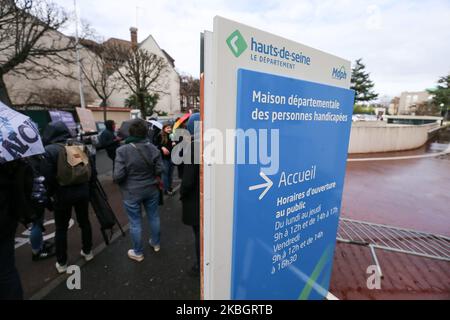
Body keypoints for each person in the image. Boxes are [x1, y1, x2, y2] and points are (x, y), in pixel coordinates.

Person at [41, 121, 95, 273]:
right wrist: (88, 189)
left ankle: (62, 262)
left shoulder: (49, 150)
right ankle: (88, 251)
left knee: (61, 228)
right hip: (83, 191)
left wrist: (51, 195)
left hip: (62, 194)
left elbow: (47, 177)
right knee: (84, 222)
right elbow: (92, 169)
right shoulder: (79, 146)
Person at [113, 119, 163, 262]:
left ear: (130, 132)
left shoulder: (122, 150)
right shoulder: (153, 148)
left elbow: (118, 175)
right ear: (145, 132)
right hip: (151, 188)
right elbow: (160, 169)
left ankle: (138, 252)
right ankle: (156, 243)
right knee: (153, 216)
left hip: (131, 191)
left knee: (135, 222)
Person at [180, 113, 201, 277]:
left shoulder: (193, 147)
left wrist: (182, 194)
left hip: (196, 199)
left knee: (199, 235)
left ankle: (200, 265)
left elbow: (187, 181)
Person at [156, 123, 175, 195]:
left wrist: (174, 143)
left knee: (170, 174)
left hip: (171, 157)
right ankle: (166, 189)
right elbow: (157, 145)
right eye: (167, 128)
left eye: (170, 128)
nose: (169, 129)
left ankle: (169, 188)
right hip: (164, 158)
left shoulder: (172, 135)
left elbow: (175, 144)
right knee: (165, 174)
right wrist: (162, 148)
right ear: (164, 129)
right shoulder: (160, 136)